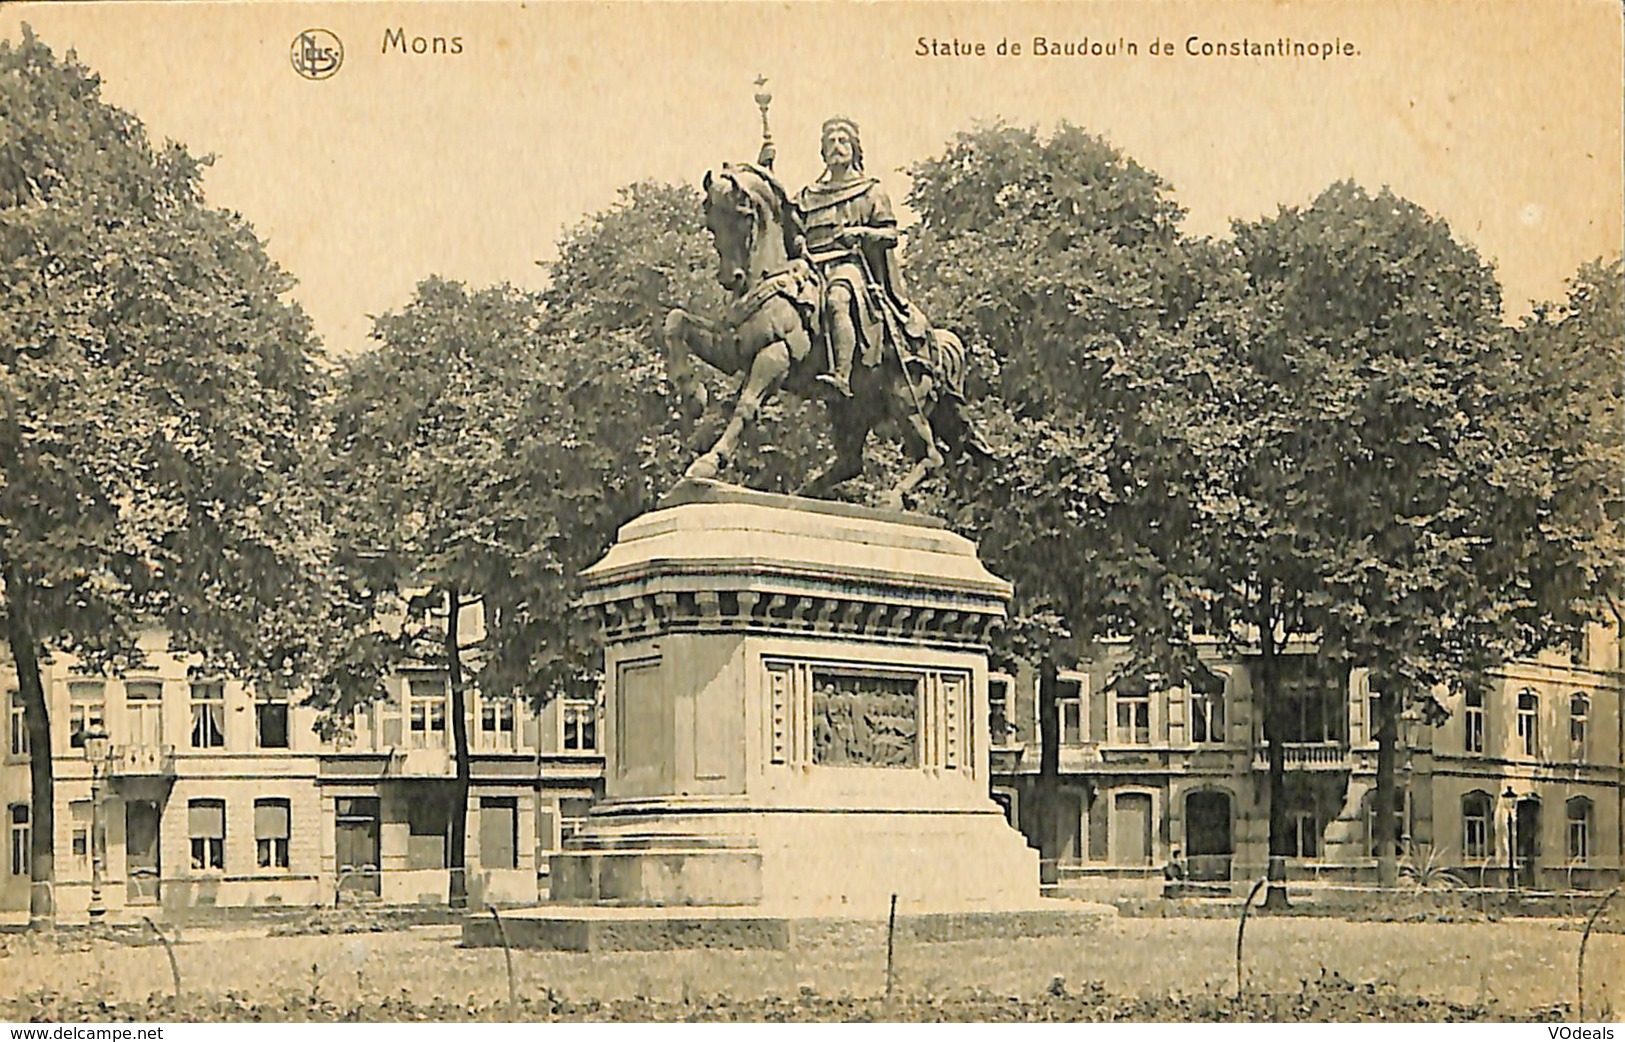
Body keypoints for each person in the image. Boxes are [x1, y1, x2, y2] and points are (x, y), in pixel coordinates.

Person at [789, 117, 929, 398]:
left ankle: (841, 374)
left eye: (843, 141)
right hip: (811, 268)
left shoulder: (870, 191)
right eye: (830, 141)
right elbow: (788, 224)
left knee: (836, 298)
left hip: (852, 267)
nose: (836, 146)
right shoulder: (808, 196)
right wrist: (799, 241)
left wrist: (861, 233)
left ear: (854, 148)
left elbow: (890, 235)